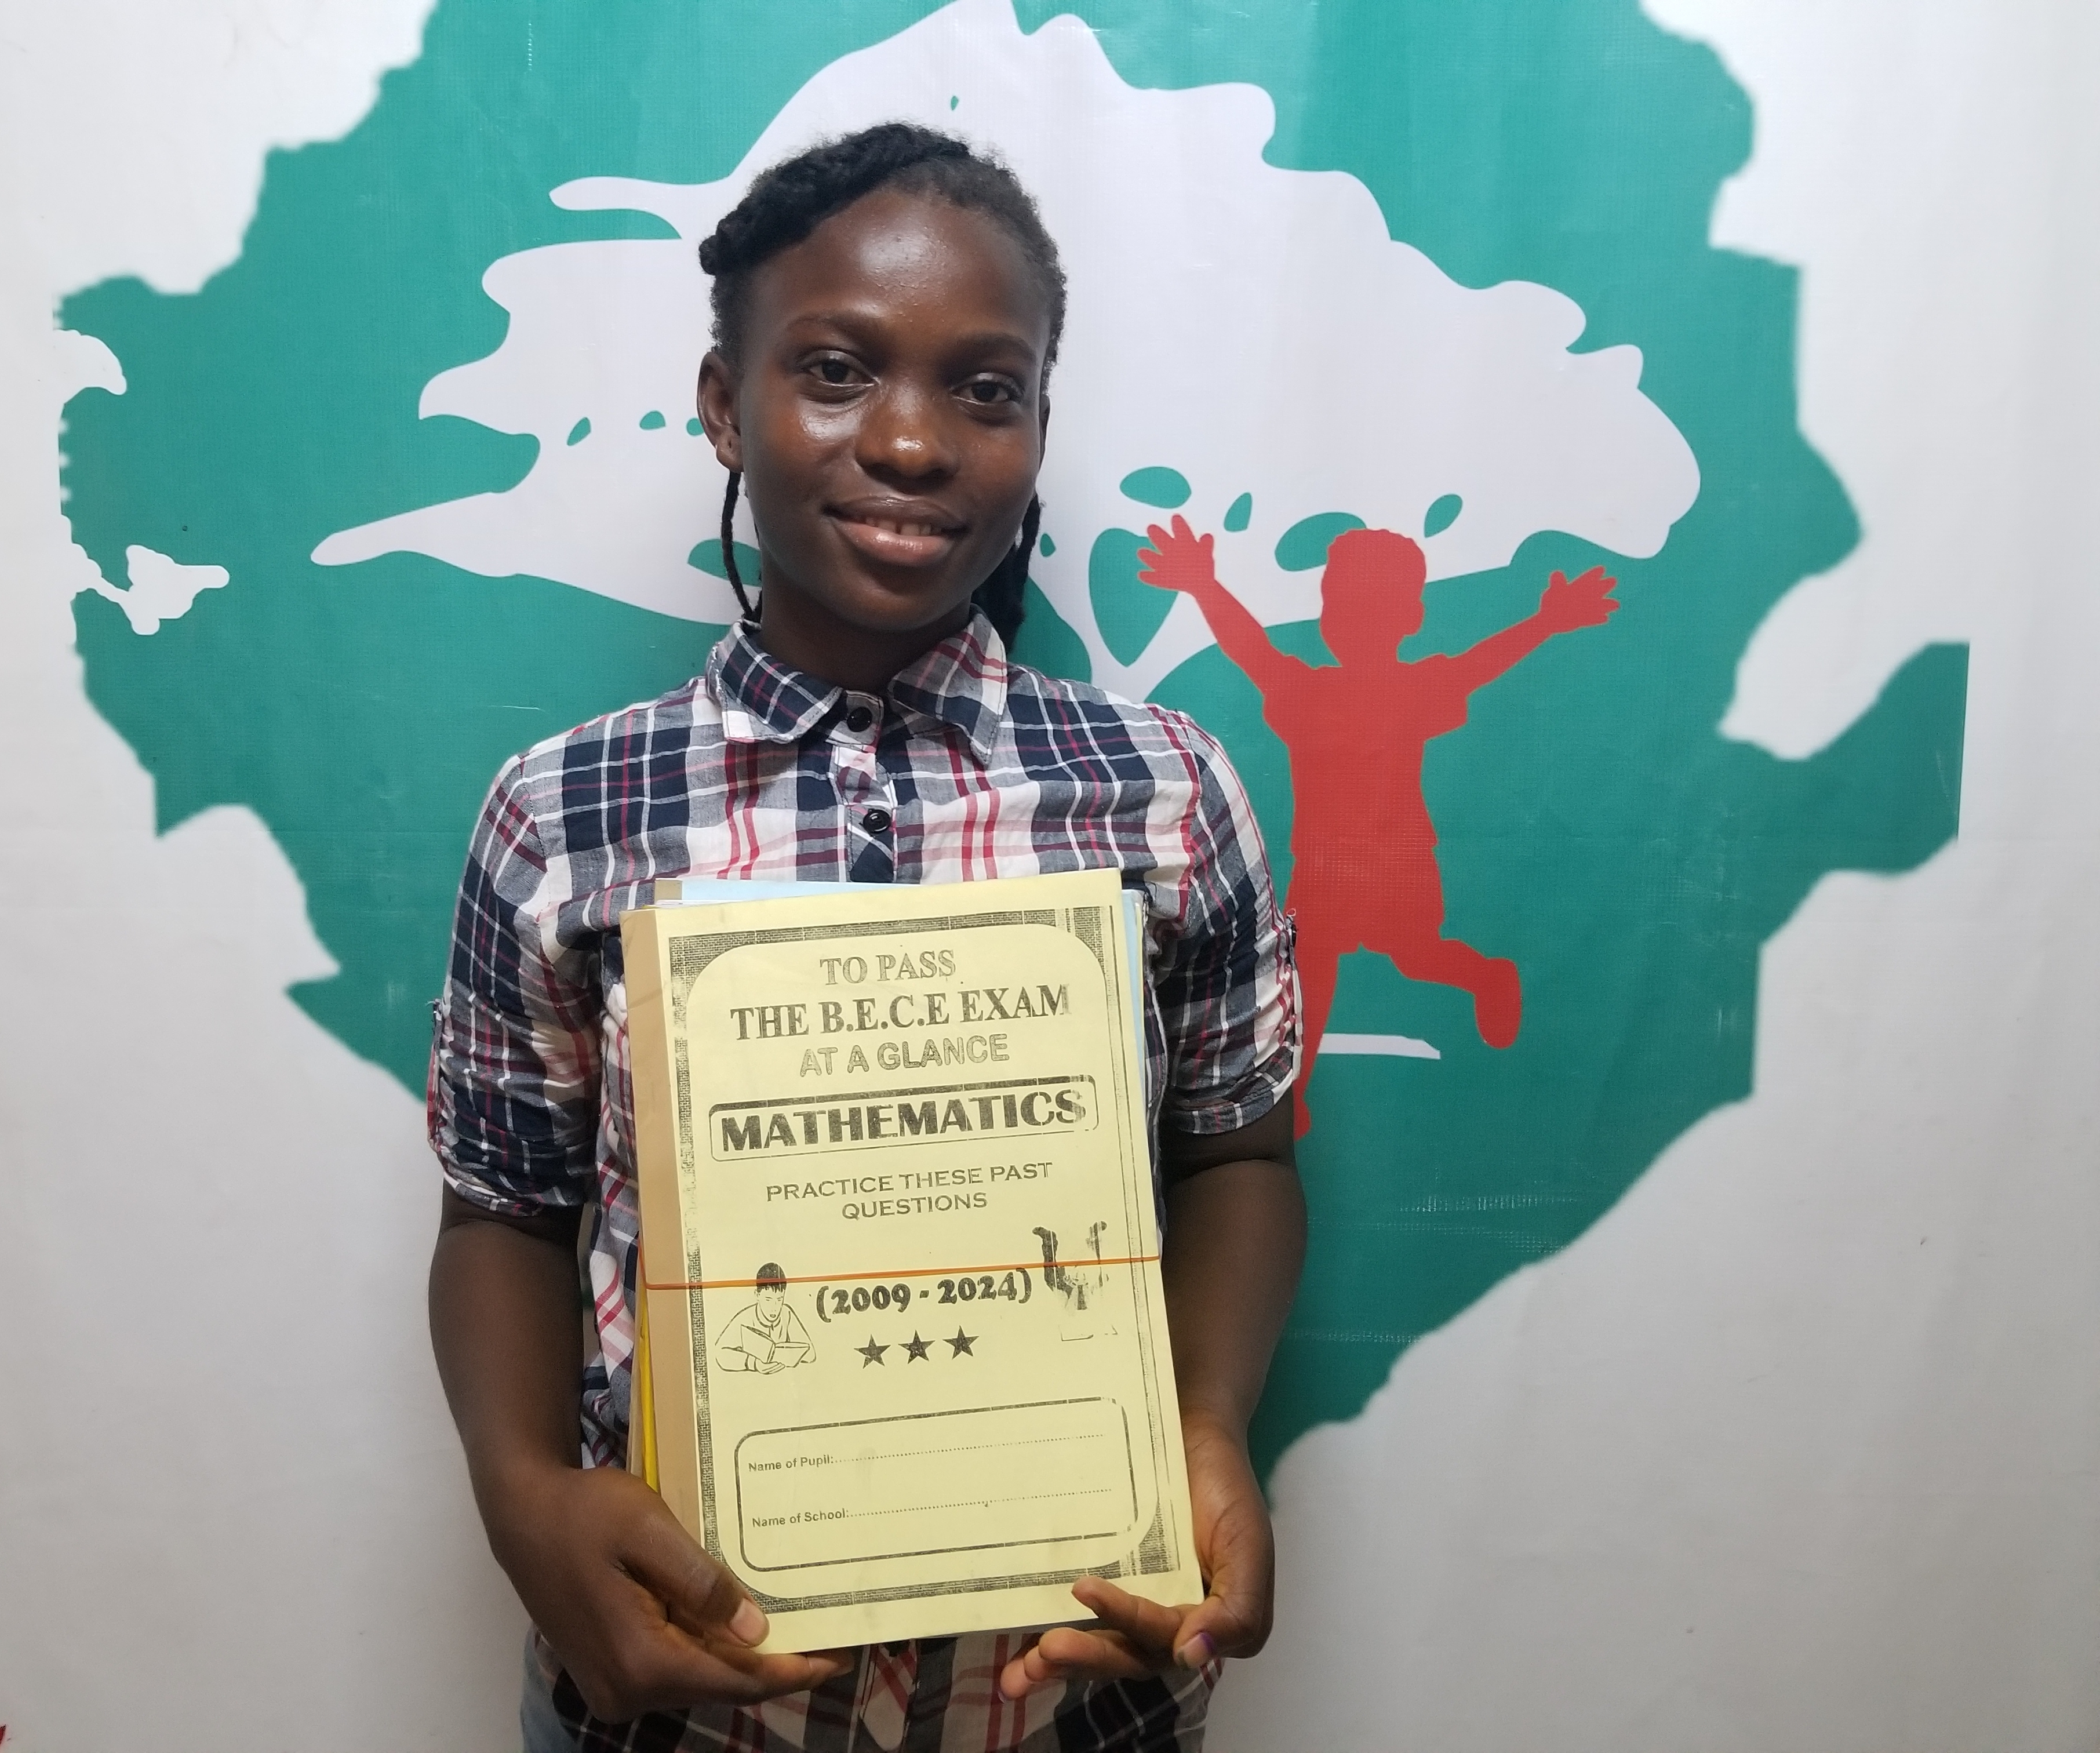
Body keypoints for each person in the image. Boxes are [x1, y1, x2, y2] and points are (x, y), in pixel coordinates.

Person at [427, 122, 1306, 1753]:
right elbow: (502, 1211)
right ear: (723, 403)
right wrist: (522, 1499)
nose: (910, 440)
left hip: (1070, 1704)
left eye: (987, 389)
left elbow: (1237, 1154)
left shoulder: (1170, 791)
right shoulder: (563, 813)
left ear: (1039, 429)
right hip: (681, 1714)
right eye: (835, 371)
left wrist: (1204, 1421)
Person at [1139, 515, 1618, 1124]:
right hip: (1324, 864)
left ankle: (1487, 976)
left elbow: (1478, 665)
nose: (1352, 620)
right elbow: (1249, 647)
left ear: (1411, 618)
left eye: (1375, 608)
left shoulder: (1414, 688)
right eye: (1339, 603)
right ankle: (1296, 1097)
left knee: (1416, 955)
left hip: (1399, 859)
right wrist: (1203, 586)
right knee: (1311, 969)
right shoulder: (1305, 690)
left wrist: (1546, 622)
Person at [715, 1264, 814, 1374]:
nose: (774, 1308)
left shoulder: (786, 1313)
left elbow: (811, 1354)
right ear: (757, 1295)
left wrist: (788, 1354)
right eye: (768, 1300)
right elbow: (720, 1354)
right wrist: (754, 1364)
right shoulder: (745, 1318)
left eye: (779, 1300)